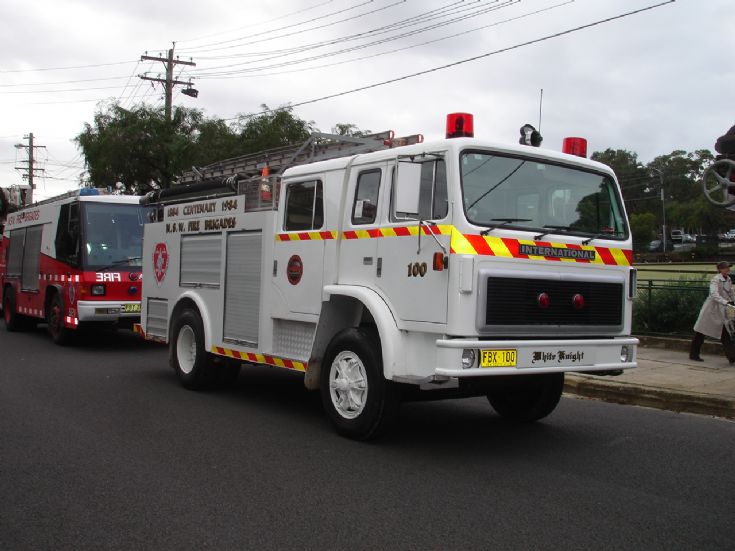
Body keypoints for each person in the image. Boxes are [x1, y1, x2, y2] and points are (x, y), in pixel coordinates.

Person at [690, 261, 735, 362]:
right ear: (720, 269)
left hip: (723, 308)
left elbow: (731, 292)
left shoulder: (728, 279)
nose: (728, 269)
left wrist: (732, 302)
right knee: (700, 331)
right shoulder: (715, 280)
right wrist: (726, 302)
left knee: (725, 331)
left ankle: (732, 356)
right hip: (711, 309)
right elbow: (714, 294)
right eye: (726, 268)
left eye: (728, 267)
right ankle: (694, 354)